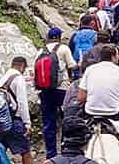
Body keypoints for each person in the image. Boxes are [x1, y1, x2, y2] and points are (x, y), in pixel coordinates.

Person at [78, 44, 119, 151]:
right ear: (112, 56)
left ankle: (68, 150)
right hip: (113, 113)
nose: (118, 57)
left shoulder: (90, 70)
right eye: (117, 55)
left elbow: (81, 97)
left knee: (69, 121)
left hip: (90, 112)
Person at [38, 27, 77, 158]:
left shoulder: (41, 51)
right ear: (59, 37)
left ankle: (51, 155)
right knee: (67, 118)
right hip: (62, 90)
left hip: (45, 90)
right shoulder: (64, 48)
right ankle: (65, 151)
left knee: (49, 122)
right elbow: (72, 65)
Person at [0, 57, 33, 164]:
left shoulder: (3, 79)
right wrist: (27, 123)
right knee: (25, 152)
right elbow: (22, 102)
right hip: (13, 121)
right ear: (22, 66)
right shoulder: (18, 78)